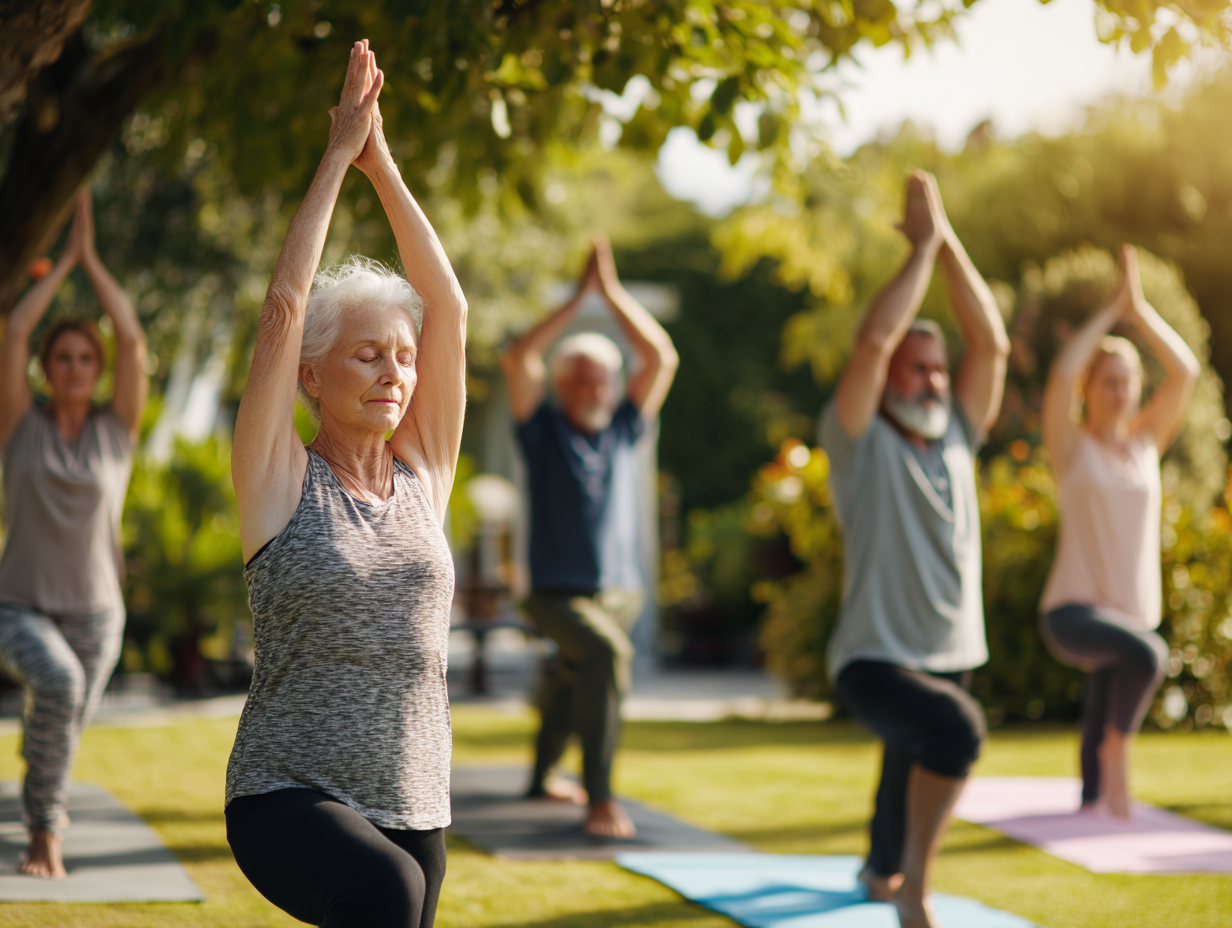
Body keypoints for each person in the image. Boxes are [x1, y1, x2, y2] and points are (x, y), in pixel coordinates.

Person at [226, 41, 466, 928]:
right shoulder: (282, 480)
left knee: (398, 898)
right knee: (386, 894)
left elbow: (450, 310)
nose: (393, 372)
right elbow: (284, 308)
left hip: (416, 796)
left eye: (402, 357)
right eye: (367, 355)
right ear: (311, 377)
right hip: (286, 791)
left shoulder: (424, 472)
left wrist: (381, 161)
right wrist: (337, 155)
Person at [819, 172, 1009, 928]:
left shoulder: (959, 429)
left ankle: (881, 868)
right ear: (887, 377)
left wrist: (946, 239)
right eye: (916, 366)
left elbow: (991, 342)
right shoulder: (857, 438)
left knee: (906, 758)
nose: (932, 379)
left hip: (950, 644)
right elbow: (872, 339)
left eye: (937, 368)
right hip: (873, 657)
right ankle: (914, 892)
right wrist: (920, 252)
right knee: (955, 732)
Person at [501, 236, 677, 838]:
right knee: (604, 655)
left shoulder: (624, 428)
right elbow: (520, 356)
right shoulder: (541, 429)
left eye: (603, 382)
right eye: (581, 382)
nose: (595, 392)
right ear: (561, 384)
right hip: (555, 593)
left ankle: (541, 777)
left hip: (620, 592)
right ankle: (600, 800)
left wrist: (613, 294)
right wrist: (578, 302)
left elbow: (661, 358)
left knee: (572, 677)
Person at [0, 189, 148, 879]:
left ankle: (38, 786)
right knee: (56, 687)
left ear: (98, 369)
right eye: (62, 357)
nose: (74, 367)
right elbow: (13, 332)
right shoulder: (18, 425)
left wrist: (93, 261)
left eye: (86, 358)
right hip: (18, 606)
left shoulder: (117, 431)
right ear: (46, 368)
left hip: (97, 614)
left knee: (59, 726)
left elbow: (133, 340)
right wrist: (62, 265)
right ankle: (44, 835)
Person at [1039, 246, 1197, 819]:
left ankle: (1092, 795)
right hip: (1073, 612)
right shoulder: (1072, 448)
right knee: (1148, 656)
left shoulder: (1146, 445)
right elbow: (1062, 373)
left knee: (1108, 690)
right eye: (1108, 380)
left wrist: (1141, 311)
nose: (1120, 391)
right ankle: (1117, 752)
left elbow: (1185, 372)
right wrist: (1110, 310)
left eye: (1128, 381)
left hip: (1128, 611)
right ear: (1090, 388)